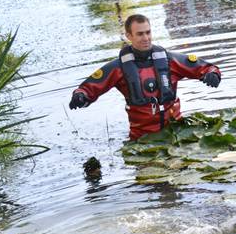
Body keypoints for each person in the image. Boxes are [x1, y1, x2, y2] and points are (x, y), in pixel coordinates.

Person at [69, 14, 221, 140]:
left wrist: (212, 74)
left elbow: (204, 67)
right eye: (140, 34)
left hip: (177, 132)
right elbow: (89, 87)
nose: (146, 38)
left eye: (148, 32)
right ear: (129, 36)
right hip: (142, 138)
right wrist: (81, 96)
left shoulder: (169, 60)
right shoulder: (118, 68)